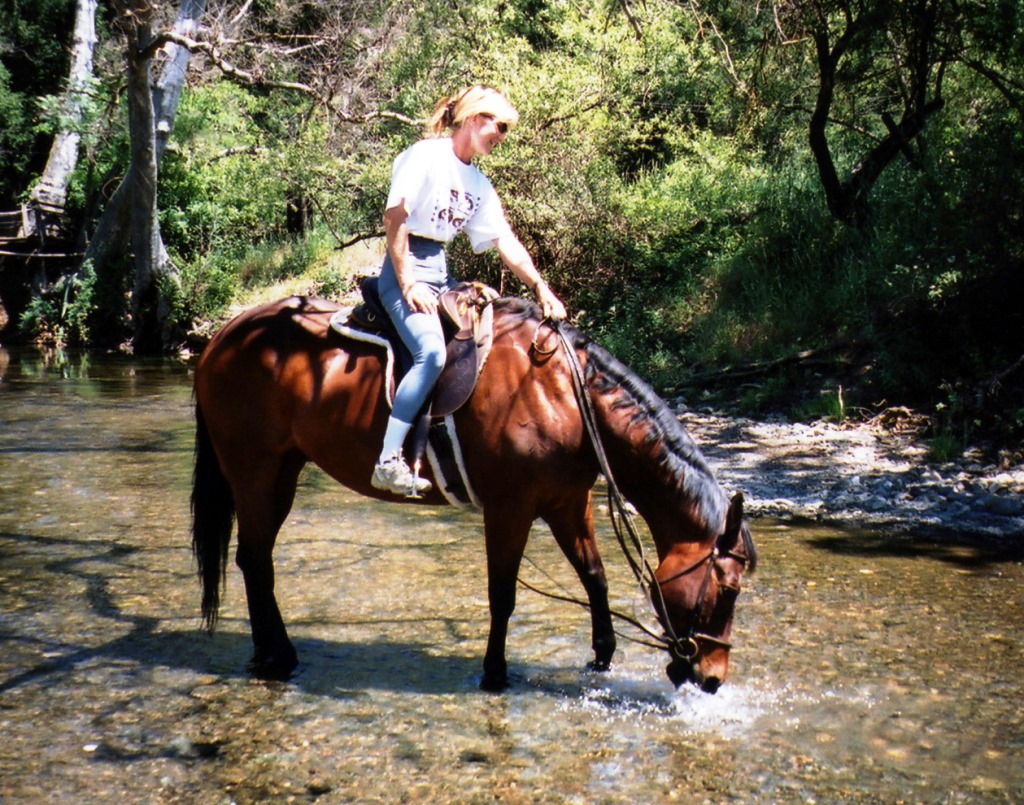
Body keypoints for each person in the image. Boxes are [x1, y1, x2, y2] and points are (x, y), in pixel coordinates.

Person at [371, 84, 567, 497]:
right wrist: (407, 283)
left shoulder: (479, 183)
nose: (501, 135)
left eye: (506, 129)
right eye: (498, 125)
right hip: (404, 266)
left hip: (440, 270)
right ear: (474, 118)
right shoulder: (425, 155)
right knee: (432, 353)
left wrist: (541, 287)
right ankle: (388, 460)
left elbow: (506, 243)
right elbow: (395, 218)